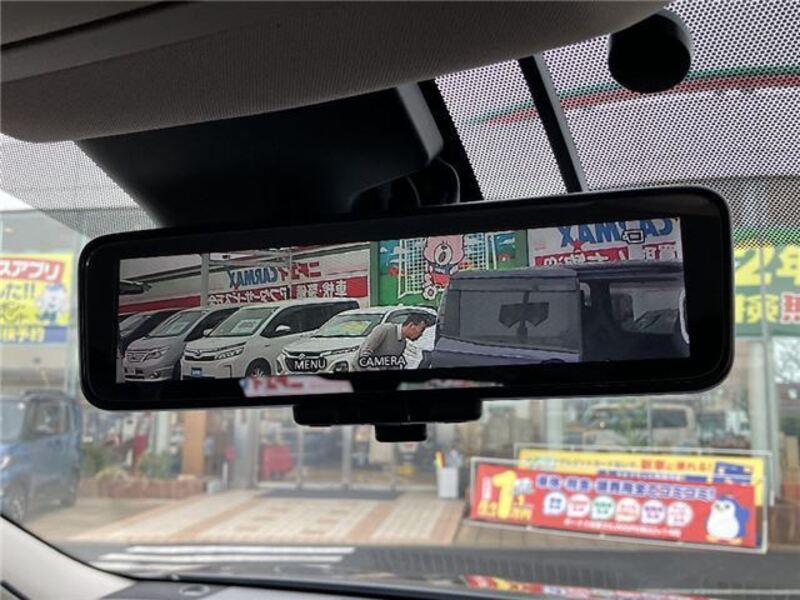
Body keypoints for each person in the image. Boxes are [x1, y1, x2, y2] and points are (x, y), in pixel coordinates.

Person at [355, 313, 430, 371]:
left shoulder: (403, 343)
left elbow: (393, 364)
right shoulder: (385, 330)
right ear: (411, 325)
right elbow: (364, 355)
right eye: (421, 330)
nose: (421, 334)